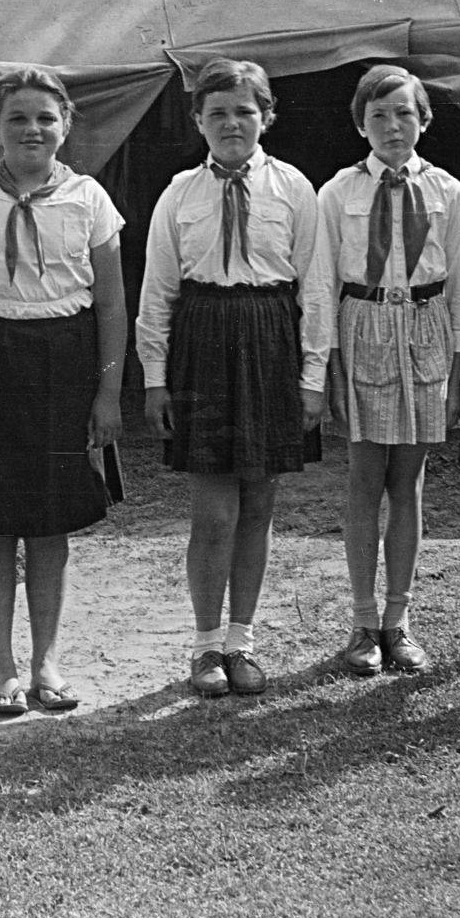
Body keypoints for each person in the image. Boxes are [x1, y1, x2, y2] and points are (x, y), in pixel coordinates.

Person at [0, 68, 125, 716]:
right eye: (17, 118)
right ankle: (0, 665)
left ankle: (47, 661)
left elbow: (113, 303)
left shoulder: (90, 198)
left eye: (45, 117)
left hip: (65, 365)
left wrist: (107, 392)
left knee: (50, 523)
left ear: (66, 125)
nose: (32, 129)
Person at [137, 58, 326, 697]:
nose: (231, 124)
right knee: (212, 509)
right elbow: (157, 290)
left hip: (271, 336)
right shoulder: (178, 194)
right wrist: (155, 377)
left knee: (259, 500)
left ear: (265, 117)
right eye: (216, 113)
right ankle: (205, 645)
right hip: (203, 339)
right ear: (197, 121)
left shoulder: (296, 189)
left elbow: (316, 287)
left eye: (244, 111)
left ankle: (243, 641)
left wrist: (312, 375)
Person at [320, 65, 460, 677]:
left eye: (404, 113)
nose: (391, 126)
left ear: (424, 120)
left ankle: (398, 621)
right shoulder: (338, 192)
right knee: (364, 477)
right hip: (364, 327)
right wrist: (327, 361)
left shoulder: (449, 192)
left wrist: (459, 368)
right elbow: (323, 283)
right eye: (378, 116)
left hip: (427, 327)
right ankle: (362, 622)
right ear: (361, 125)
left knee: (408, 482)